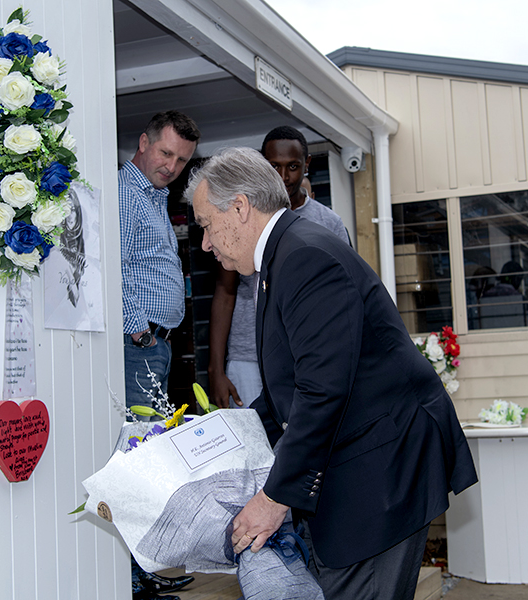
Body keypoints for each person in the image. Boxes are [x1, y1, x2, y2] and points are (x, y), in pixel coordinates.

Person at [186, 147, 477, 600]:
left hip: (382, 465)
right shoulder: (283, 256)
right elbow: (295, 385)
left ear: (240, 207)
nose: (205, 243)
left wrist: (272, 499)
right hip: (362, 456)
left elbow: (322, 391)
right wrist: (222, 435)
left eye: (205, 224)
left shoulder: (303, 256)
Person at [208, 126, 350, 409]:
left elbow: (343, 299)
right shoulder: (242, 217)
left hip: (307, 356)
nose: (284, 177)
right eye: (274, 167)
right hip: (248, 359)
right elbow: (225, 293)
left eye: (293, 167)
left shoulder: (328, 223)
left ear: (307, 165)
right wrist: (216, 370)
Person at [119, 110, 201, 600]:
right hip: (140, 349)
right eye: (166, 153)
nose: (172, 166)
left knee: (148, 455)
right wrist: (140, 332)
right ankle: (131, 577)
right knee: (135, 458)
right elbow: (109, 267)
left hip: (156, 349)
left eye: (182, 160)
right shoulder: (128, 195)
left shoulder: (154, 198)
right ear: (145, 142)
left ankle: (139, 569)